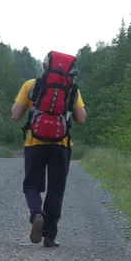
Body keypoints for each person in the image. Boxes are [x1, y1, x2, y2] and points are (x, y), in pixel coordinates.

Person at [11, 52, 86, 248]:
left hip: (34, 144)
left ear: (45, 67)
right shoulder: (72, 90)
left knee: (31, 186)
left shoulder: (31, 85)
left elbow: (15, 115)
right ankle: (49, 235)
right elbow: (81, 119)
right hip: (61, 146)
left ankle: (37, 213)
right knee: (56, 190)